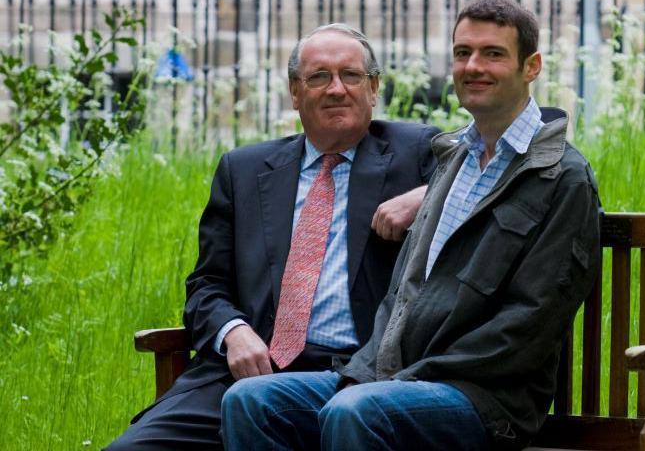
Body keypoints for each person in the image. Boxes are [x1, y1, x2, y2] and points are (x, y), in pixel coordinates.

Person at [220, 0, 602, 450]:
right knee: (250, 401)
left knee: (355, 410)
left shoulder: (562, 178)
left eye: (493, 54)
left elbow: (530, 324)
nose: (473, 66)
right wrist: (374, 373)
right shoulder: (454, 161)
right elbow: (404, 292)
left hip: (486, 399)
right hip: (397, 379)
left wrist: (408, 377)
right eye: (463, 53)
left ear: (531, 66)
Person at [107, 23, 439, 450]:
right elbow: (206, 286)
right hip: (247, 369)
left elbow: (487, 172)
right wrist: (233, 331)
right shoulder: (243, 171)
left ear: (373, 87)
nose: (336, 89)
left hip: (359, 375)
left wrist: (425, 196)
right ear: (295, 92)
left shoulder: (418, 151)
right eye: (319, 77)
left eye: (351, 75)